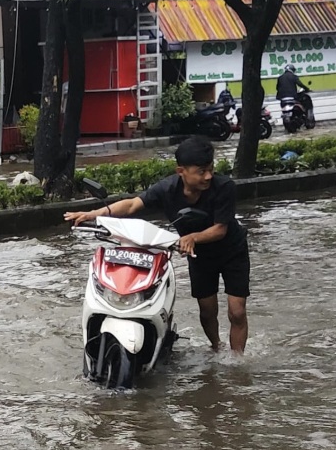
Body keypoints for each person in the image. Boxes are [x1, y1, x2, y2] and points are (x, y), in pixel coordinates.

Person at [64, 136, 250, 354]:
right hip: (200, 256)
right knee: (207, 310)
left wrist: (192, 238)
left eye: (210, 169)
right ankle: (217, 347)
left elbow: (221, 229)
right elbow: (133, 204)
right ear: (181, 171)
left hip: (232, 252)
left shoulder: (224, 187)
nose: (208, 176)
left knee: (236, 311)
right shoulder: (167, 189)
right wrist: (93, 214)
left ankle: (237, 360)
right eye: (201, 171)